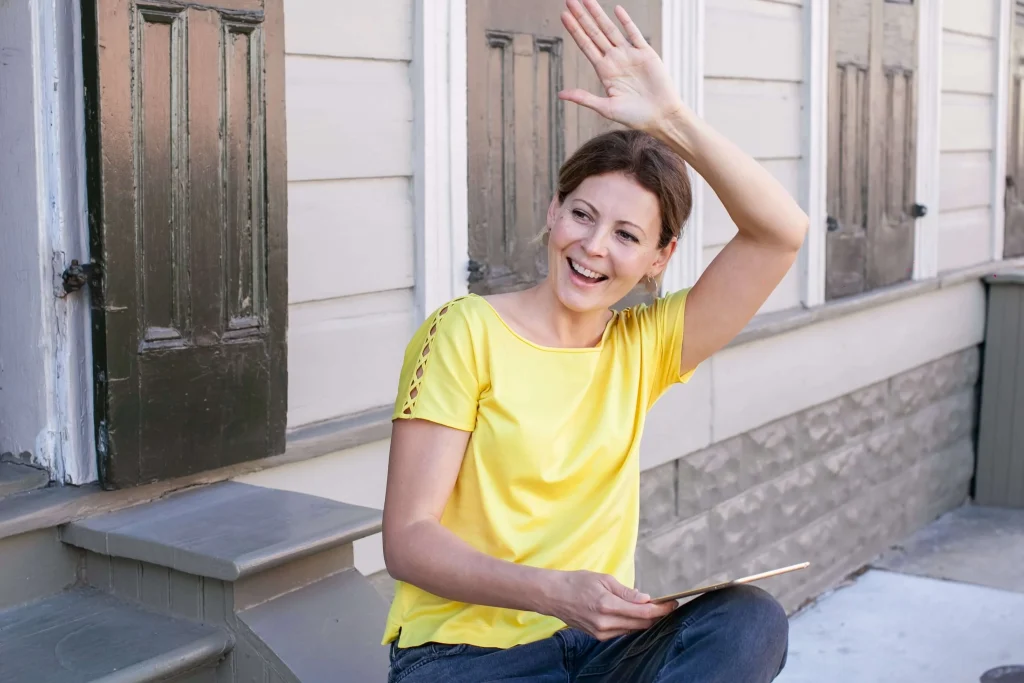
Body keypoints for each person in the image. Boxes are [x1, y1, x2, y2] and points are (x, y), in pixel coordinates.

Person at [380, 1, 809, 680]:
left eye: (627, 235)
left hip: (600, 654)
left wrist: (673, 121)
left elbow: (780, 232)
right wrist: (557, 591)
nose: (592, 246)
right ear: (554, 211)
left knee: (751, 619)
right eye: (582, 214)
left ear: (659, 258)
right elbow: (407, 540)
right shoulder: (465, 331)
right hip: (465, 656)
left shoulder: (646, 346)